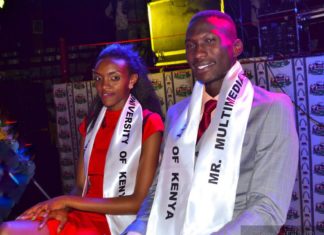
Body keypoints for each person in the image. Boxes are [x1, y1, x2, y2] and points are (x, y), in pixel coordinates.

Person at [123, 10, 299, 235]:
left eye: (209, 41)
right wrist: (137, 229)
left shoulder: (272, 109)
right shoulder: (178, 115)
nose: (198, 54)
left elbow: (268, 210)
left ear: (236, 47)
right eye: (191, 45)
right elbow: (159, 191)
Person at [0, 43, 164, 235]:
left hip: (117, 221)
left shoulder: (148, 122)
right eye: (98, 78)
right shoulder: (92, 123)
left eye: (115, 78)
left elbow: (137, 202)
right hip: (83, 213)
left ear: (132, 80)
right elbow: (80, 186)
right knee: (8, 230)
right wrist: (63, 209)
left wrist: (66, 201)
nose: (104, 86)